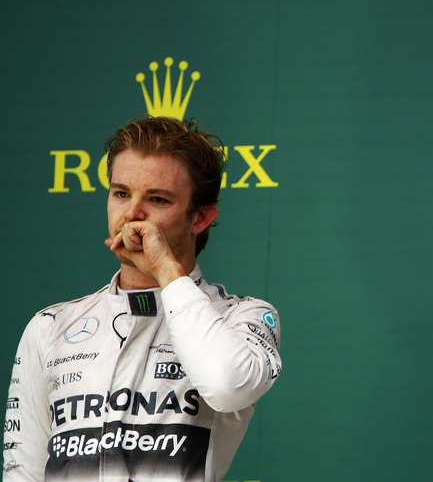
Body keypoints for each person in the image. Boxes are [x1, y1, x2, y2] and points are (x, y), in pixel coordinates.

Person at [4, 117, 282, 481]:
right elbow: (23, 470)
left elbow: (227, 387)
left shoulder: (241, 317)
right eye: (121, 193)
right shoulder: (50, 325)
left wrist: (166, 269)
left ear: (200, 218)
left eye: (157, 199)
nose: (132, 214)